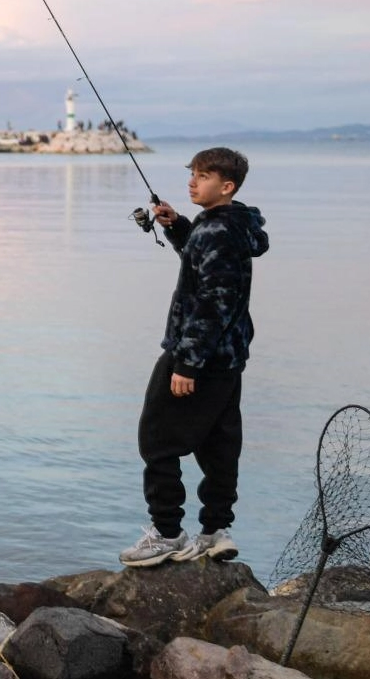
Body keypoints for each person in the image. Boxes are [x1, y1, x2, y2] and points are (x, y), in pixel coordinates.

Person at [120, 147, 270, 568]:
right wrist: (179, 227)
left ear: (227, 186)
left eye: (203, 176)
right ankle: (215, 531)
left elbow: (213, 301)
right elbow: (205, 262)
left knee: (156, 441)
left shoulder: (216, 231)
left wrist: (186, 363)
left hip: (198, 354)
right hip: (228, 357)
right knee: (219, 444)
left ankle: (168, 533)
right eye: (193, 174)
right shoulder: (232, 224)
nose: (192, 182)